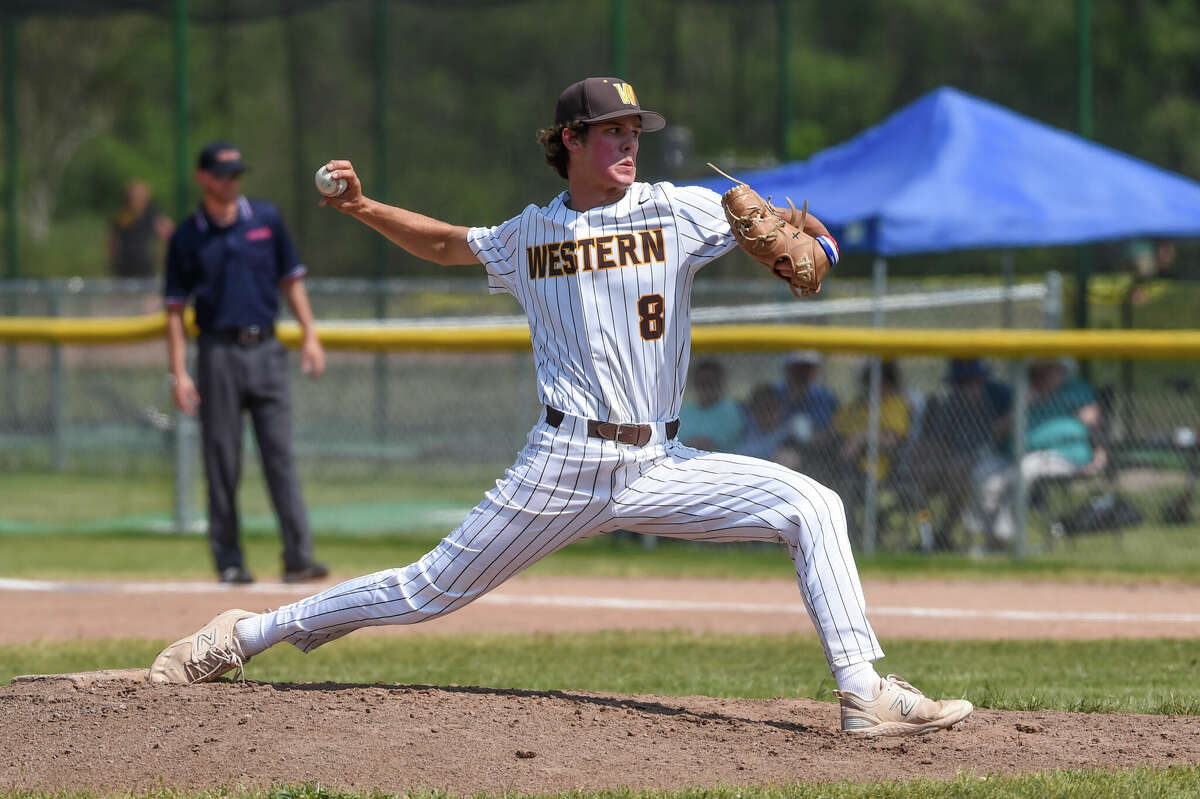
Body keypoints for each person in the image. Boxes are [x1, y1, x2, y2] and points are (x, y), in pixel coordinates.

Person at [150, 79, 971, 736]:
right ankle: (244, 632)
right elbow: (444, 242)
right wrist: (363, 208)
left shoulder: (680, 209)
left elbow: (808, 240)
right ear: (569, 142)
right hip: (565, 461)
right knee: (426, 589)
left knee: (813, 504)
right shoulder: (530, 234)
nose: (627, 143)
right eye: (611, 131)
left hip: (660, 463)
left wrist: (814, 247)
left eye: (634, 131)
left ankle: (864, 691)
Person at [163, 140, 329, 585]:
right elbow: (175, 312)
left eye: (236, 173)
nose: (231, 181)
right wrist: (179, 372)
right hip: (217, 353)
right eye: (222, 174)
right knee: (223, 462)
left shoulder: (266, 220)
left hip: (268, 350)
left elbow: (291, 282)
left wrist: (310, 335)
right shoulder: (188, 235)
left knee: (280, 458)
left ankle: (298, 557)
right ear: (203, 178)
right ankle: (230, 561)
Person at [967, 357, 1103, 548]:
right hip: (1014, 456)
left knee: (1026, 468)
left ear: (1061, 372)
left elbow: (1094, 423)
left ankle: (1003, 536)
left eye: (1049, 371)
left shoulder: (1077, 390)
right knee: (985, 473)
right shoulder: (1022, 394)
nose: (1042, 377)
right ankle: (989, 540)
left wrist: (1099, 453)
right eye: (1037, 372)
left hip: (1062, 456)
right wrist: (1023, 404)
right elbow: (997, 432)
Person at [907, 359, 1012, 551]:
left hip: (987, 458)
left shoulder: (998, 396)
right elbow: (938, 442)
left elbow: (1000, 433)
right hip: (951, 459)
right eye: (962, 383)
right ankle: (927, 538)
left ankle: (944, 533)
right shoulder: (951, 403)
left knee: (958, 474)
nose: (966, 387)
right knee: (920, 482)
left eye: (972, 381)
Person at [819, 360, 910, 512]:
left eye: (874, 380)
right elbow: (831, 432)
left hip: (870, 469)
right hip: (835, 462)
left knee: (842, 485)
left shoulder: (894, 405)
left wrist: (862, 438)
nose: (869, 386)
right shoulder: (855, 405)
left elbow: (892, 439)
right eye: (867, 380)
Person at [109, 179, 174, 279]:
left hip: (147, 269)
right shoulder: (121, 217)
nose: (136, 200)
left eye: (140, 197)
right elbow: (112, 243)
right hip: (123, 269)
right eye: (133, 197)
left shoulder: (153, 216)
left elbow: (168, 234)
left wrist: (164, 262)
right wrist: (112, 263)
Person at [677, 358, 743, 451]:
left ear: (720, 383)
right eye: (701, 383)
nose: (706, 388)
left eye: (711, 382)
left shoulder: (731, 410)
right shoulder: (684, 411)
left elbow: (719, 443)